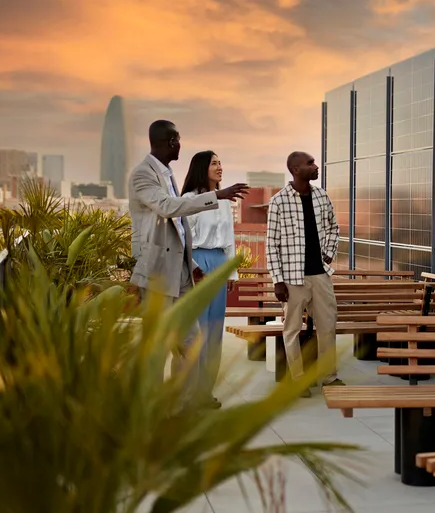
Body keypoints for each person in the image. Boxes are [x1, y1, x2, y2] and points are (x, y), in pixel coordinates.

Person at [128, 120, 248, 409]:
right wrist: (217, 195)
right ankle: (153, 407)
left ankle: (182, 404)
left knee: (193, 341)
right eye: (178, 139)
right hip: (157, 272)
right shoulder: (143, 174)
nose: (181, 144)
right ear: (169, 142)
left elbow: (179, 228)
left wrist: (189, 263)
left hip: (181, 270)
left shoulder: (166, 173)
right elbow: (168, 208)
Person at [265, 151, 342, 397]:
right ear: (296, 169)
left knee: (328, 326)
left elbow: (333, 227)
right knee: (292, 330)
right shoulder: (279, 201)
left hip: (320, 275)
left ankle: (329, 378)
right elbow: (271, 244)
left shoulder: (321, 196)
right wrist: (278, 280)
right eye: (310, 163)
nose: (316, 166)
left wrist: (328, 251)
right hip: (292, 278)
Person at [181, 150, 237, 410]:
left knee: (215, 331)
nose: (219, 166)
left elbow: (230, 240)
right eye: (214, 163)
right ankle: (190, 393)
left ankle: (206, 392)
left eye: (220, 162)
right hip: (197, 266)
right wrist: (193, 267)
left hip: (219, 264)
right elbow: (182, 239)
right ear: (202, 167)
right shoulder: (189, 200)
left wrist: (232, 271)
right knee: (197, 332)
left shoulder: (224, 201)